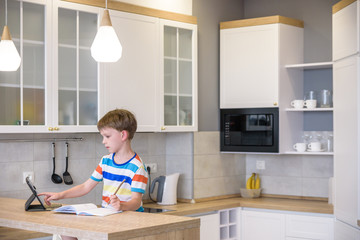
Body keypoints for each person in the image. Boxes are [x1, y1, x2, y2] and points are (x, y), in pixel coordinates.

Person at [39, 109, 148, 240]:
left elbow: (136, 202)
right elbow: (86, 187)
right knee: (66, 231)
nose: (103, 141)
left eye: (107, 136)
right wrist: (59, 195)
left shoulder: (137, 167)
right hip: (109, 218)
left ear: (123, 135)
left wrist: (122, 205)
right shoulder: (106, 161)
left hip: (129, 222)